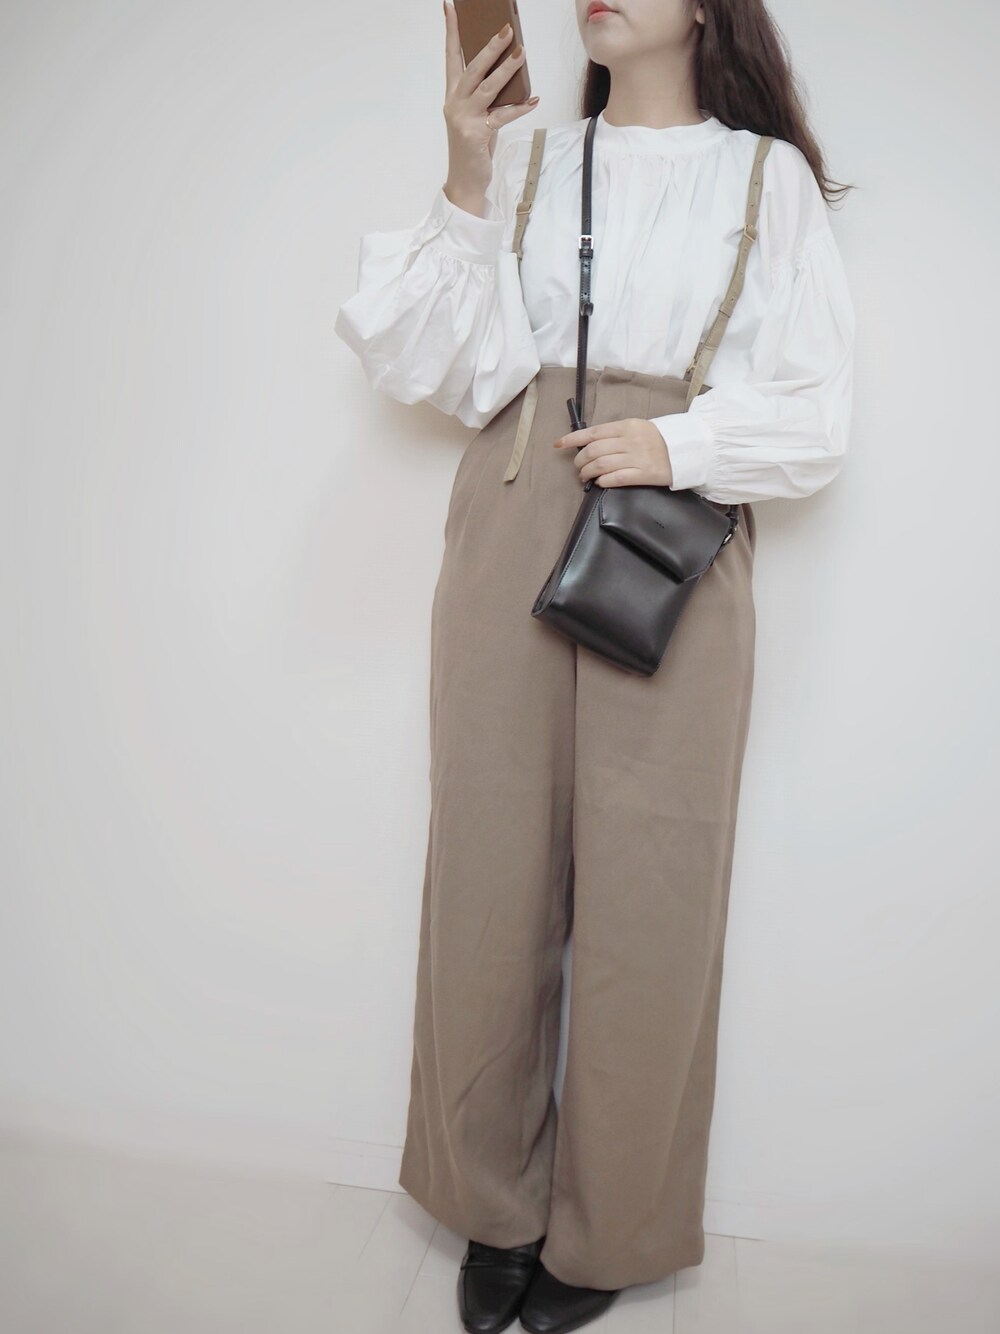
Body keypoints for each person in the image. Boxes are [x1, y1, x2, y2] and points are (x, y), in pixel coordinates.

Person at [334, 1, 856, 1330]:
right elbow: (438, 367)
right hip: (518, 492)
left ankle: (612, 1221)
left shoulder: (766, 180)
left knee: (654, 884)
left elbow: (818, 410)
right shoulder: (527, 159)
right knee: (488, 862)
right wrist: (465, 173)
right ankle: (492, 1204)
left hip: (670, 528)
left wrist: (676, 445)